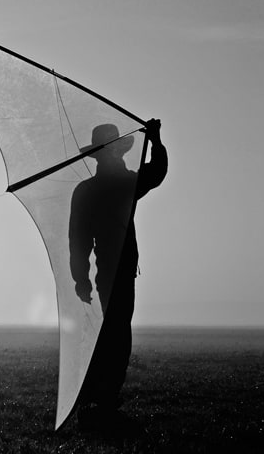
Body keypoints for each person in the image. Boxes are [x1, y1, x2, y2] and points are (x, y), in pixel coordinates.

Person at [68, 119, 167, 429]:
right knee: (117, 334)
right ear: (112, 155)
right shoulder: (123, 184)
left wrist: (80, 278)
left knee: (109, 332)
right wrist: (155, 139)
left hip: (105, 270)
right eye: (120, 154)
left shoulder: (86, 190)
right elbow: (157, 172)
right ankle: (102, 399)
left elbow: (78, 240)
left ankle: (98, 398)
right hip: (118, 269)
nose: (124, 159)